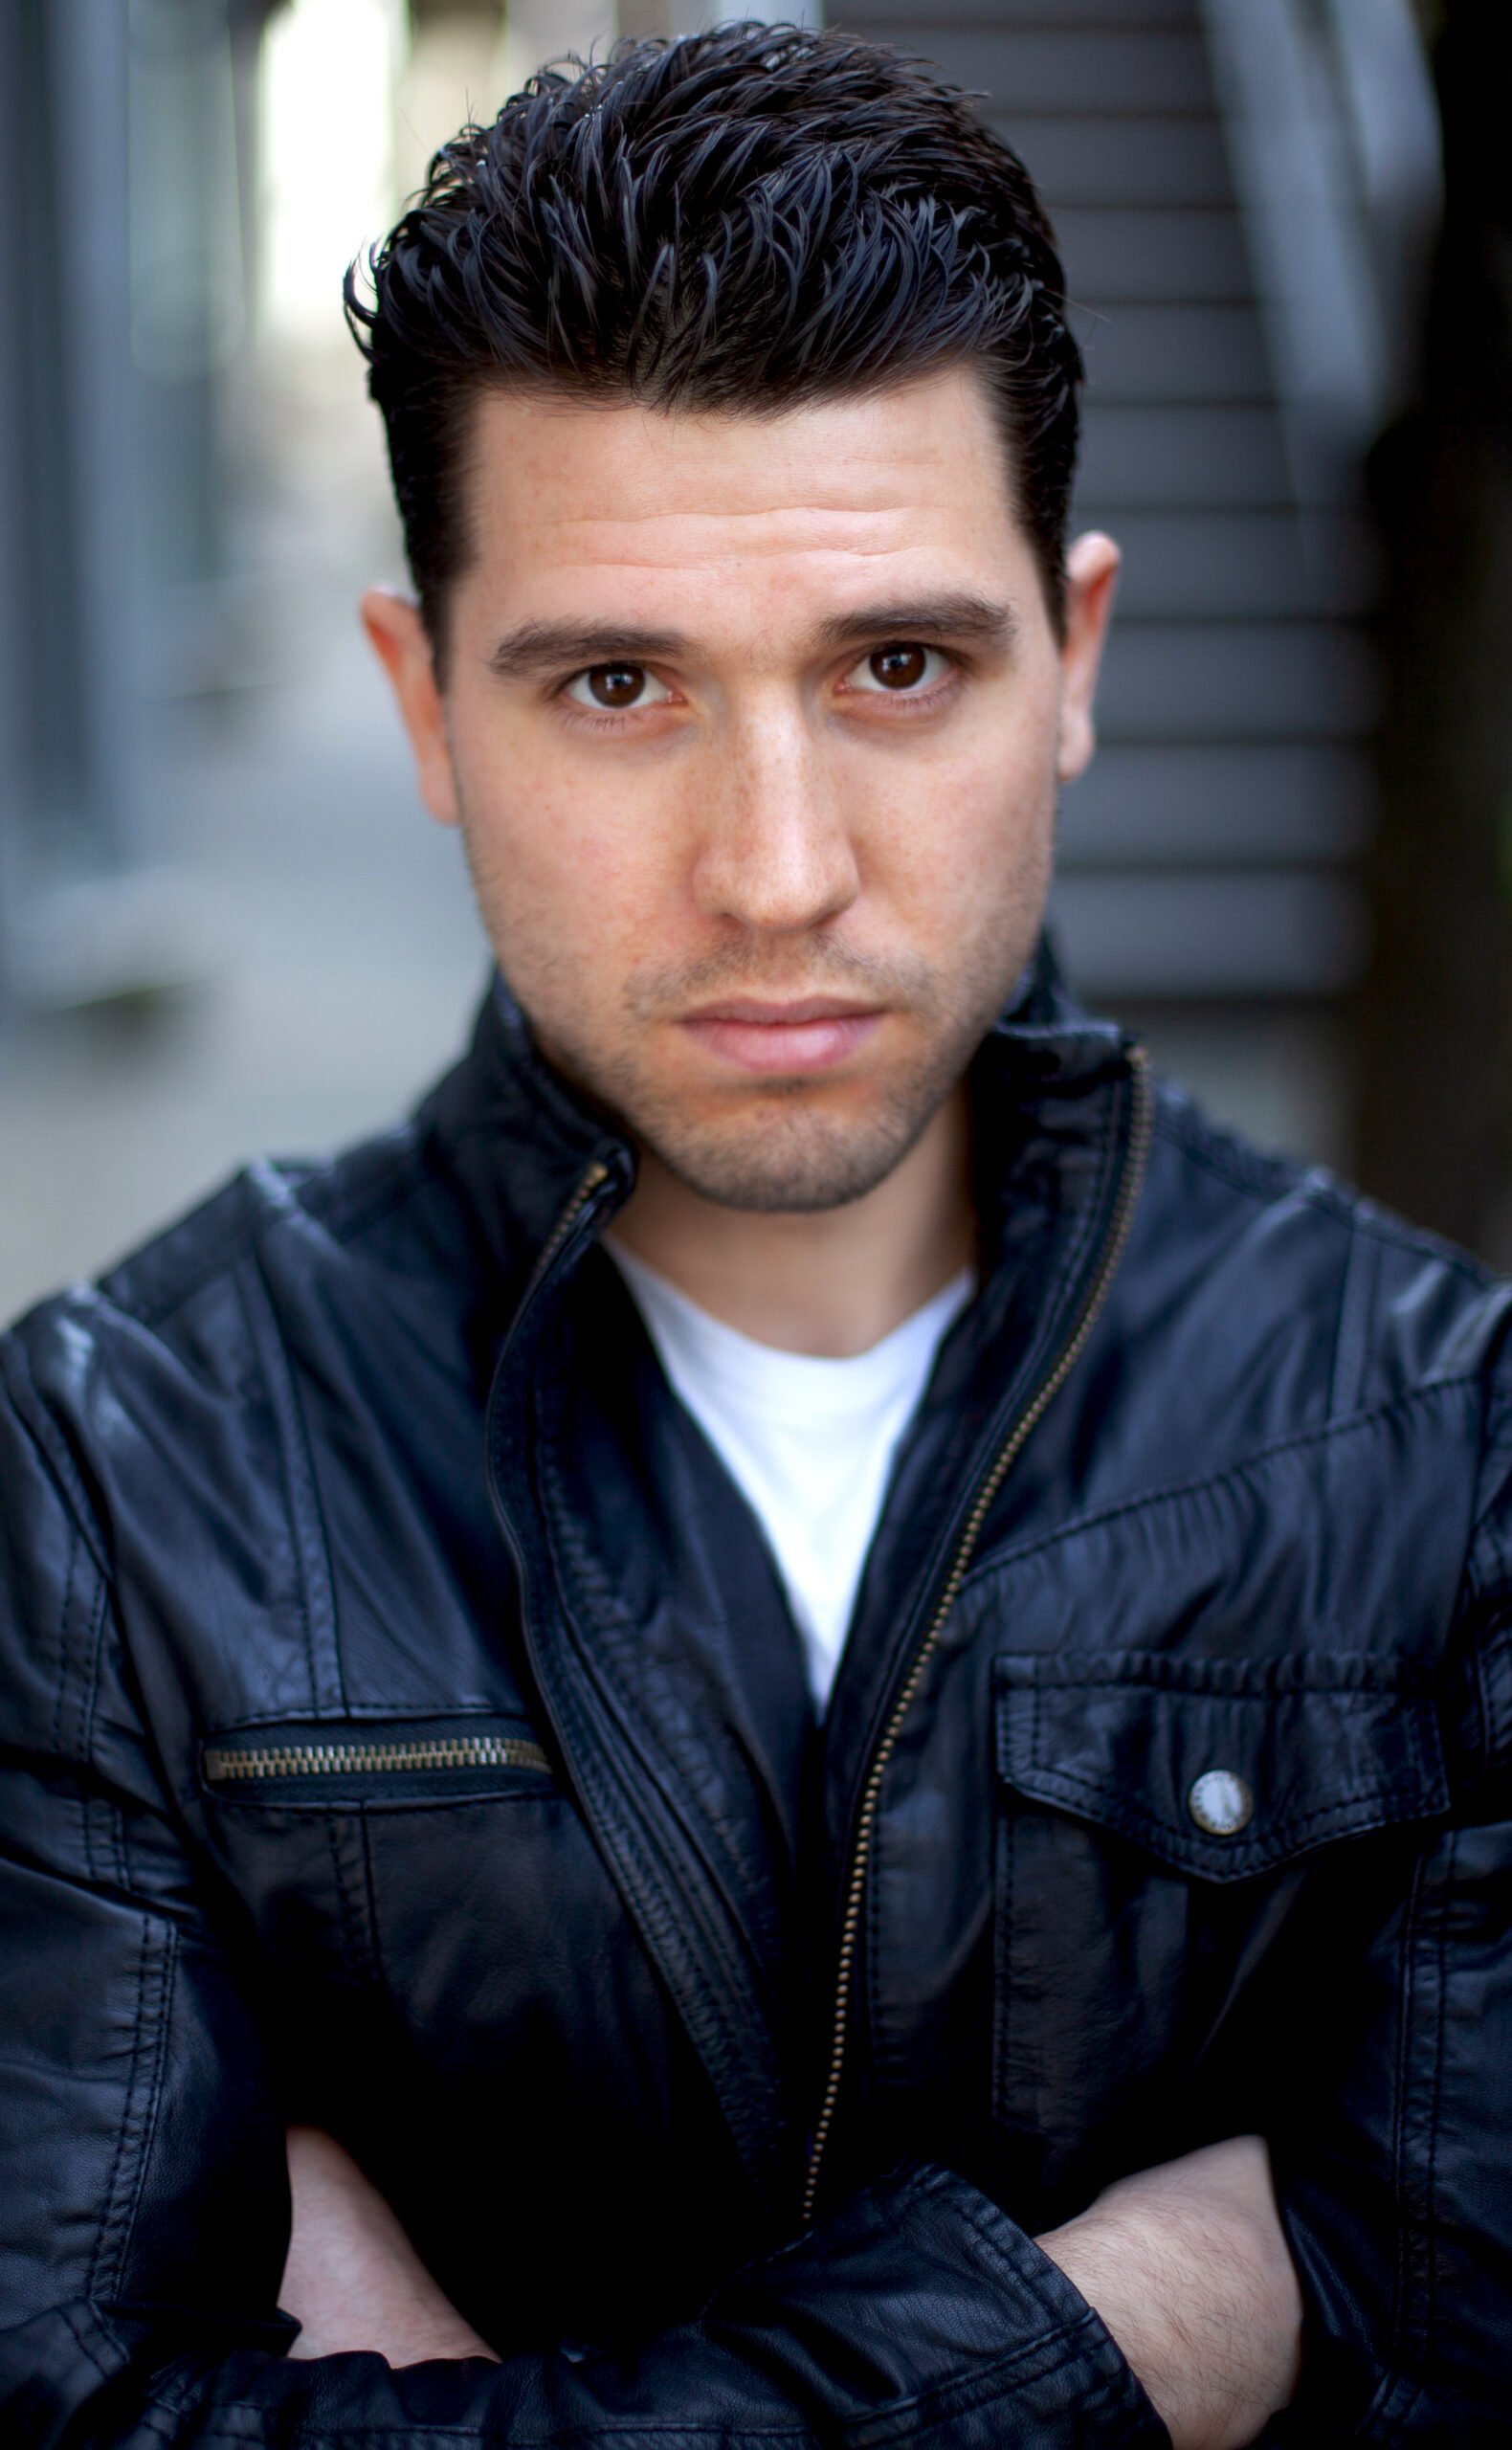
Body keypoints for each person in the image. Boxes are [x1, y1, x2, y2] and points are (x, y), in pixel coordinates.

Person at [0, 22, 1507, 2446]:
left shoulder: (1448, 1448)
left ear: (1073, 663)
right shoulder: (113, 1476)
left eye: (895, 666)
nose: (777, 869)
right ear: (423, 703)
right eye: (618, 684)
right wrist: (1148, 2323)